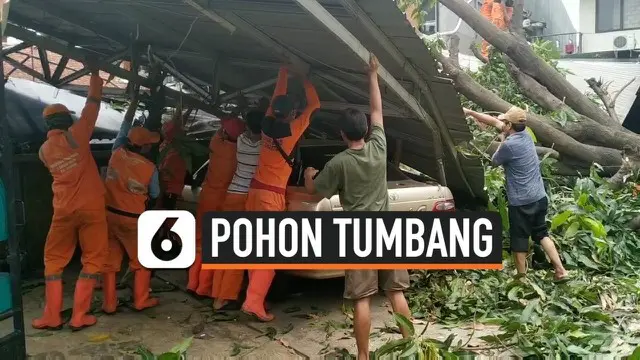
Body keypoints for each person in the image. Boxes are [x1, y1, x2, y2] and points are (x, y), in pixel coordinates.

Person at [303, 54, 412, 360]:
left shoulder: (337, 164)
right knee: (396, 292)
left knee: (362, 298)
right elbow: (377, 110)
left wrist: (310, 175)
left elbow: (314, 193)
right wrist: (373, 74)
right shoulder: (379, 146)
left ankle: (364, 356)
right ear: (365, 130)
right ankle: (410, 345)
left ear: (341, 134)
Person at [242, 65, 320, 322]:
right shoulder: (291, 132)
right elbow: (315, 104)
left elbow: (277, 96)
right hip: (271, 197)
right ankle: (253, 302)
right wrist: (305, 79)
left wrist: (284, 72)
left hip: (254, 192)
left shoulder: (266, 125)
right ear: (291, 114)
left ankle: (255, 299)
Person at [33, 68, 108, 331]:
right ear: (67, 121)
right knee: (92, 258)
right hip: (92, 207)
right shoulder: (78, 136)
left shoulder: (43, 151)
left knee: (53, 261)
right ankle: (79, 316)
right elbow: (92, 108)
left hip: (63, 210)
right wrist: (95, 79)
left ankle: (51, 316)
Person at [463, 106, 569, 282]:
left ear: (509, 125)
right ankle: (561, 271)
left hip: (522, 202)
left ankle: (521, 280)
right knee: (541, 233)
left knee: (519, 240)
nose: (502, 123)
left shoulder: (509, 146)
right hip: (539, 196)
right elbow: (496, 122)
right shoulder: (526, 135)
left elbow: (494, 161)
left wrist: (501, 136)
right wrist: (471, 113)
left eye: (505, 122)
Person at [101, 110, 162, 314]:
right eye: (149, 144)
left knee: (110, 262)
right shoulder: (149, 167)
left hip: (108, 215)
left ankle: (109, 304)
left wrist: (132, 105)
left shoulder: (116, 152)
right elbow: (155, 193)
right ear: (144, 146)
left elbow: (122, 131)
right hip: (132, 220)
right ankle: (141, 300)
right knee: (143, 260)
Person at [211, 109, 264, 311]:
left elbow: (238, 124)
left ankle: (217, 293)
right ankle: (224, 298)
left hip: (231, 193)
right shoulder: (263, 145)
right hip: (246, 197)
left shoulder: (241, 140)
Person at [187, 116, 245, 296]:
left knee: (199, 242)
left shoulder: (216, 145)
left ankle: (192, 282)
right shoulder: (241, 153)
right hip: (224, 199)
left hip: (207, 196)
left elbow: (220, 131)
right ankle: (204, 287)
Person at [157, 109, 187, 211]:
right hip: (168, 189)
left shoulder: (173, 152)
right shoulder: (169, 145)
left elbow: (165, 173)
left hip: (168, 190)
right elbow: (175, 125)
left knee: (164, 216)